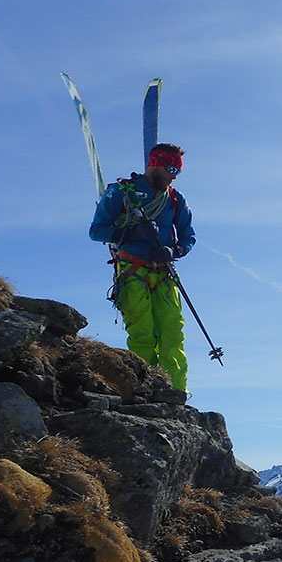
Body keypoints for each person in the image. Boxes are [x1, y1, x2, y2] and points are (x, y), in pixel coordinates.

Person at [88, 143, 196, 391]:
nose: (173, 176)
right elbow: (96, 230)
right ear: (154, 163)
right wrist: (131, 232)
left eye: (177, 171)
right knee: (142, 334)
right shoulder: (122, 192)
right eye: (170, 168)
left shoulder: (176, 200)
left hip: (165, 273)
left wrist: (175, 250)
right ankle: (146, 391)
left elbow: (188, 235)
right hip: (132, 270)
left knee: (173, 334)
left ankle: (176, 393)